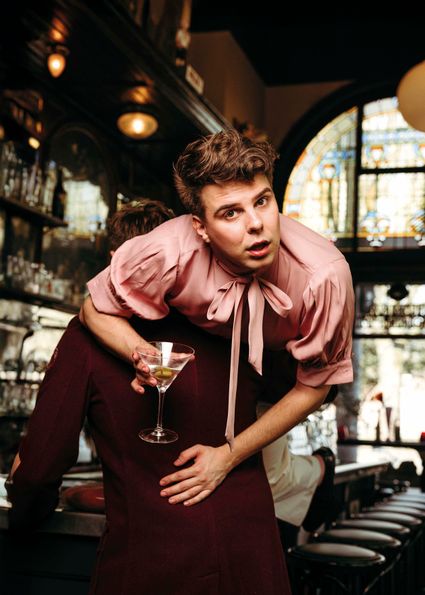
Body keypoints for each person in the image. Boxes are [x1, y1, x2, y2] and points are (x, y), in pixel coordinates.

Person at [5, 200, 292, 594]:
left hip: (156, 561)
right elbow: (299, 388)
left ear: (113, 263)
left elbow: (39, 468)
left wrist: (25, 513)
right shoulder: (232, 317)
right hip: (253, 554)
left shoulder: (85, 337)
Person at [80, 129, 355, 517]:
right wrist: (143, 355)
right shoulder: (167, 249)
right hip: (206, 362)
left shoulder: (325, 276)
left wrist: (227, 456)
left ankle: (318, 476)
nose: (256, 224)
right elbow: (93, 308)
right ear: (200, 227)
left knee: (271, 485)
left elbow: (315, 386)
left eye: (262, 201)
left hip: (282, 370)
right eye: (230, 213)